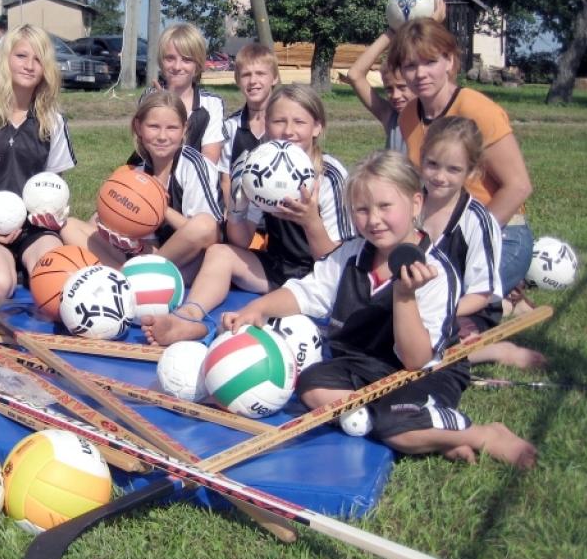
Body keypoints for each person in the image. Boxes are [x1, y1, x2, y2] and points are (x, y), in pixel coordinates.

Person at [222, 150, 537, 470]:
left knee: (397, 427)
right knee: (311, 384)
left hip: (424, 374)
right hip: (364, 365)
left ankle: (479, 434)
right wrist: (258, 308)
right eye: (361, 209)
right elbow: (307, 293)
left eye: (385, 206)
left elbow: (416, 359)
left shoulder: (436, 272)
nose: (373, 220)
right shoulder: (350, 255)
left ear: (415, 204)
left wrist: (404, 297)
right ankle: (427, 432)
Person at [142, 84, 351, 345]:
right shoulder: (259, 166)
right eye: (279, 121)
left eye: (299, 122)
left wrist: (310, 222)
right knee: (220, 253)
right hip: (277, 269)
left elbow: (337, 264)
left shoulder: (330, 176)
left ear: (317, 127)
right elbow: (240, 240)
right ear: (266, 124)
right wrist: (239, 201)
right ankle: (188, 317)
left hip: (318, 279)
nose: (288, 130)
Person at [388, 18, 534, 312]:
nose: (420, 74)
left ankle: (504, 303)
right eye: (410, 65)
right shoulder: (408, 116)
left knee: (435, 306)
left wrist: (468, 240)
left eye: (430, 62)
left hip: (501, 234)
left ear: (449, 61)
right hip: (441, 233)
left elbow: (518, 186)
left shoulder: (475, 109)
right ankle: (505, 300)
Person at [0, 24, 75, 305]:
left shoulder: (53, 121)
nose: (30, 66)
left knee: (60, 282)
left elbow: (56, 185)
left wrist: (48, 216)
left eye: (38, 59)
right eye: (21, 56)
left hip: (33, 228)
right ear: (5, 58)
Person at [418, 116, 543, 368]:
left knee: (438, 344)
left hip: (464, 308)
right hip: (412, 301)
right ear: (421, 157)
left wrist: (436, 310)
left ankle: (495, 350)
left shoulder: (478, 222)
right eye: (432, 164)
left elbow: (481, 294)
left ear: (472, 171)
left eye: (453, 169)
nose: (440, 177)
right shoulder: (408, 203)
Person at [77, 90, 223, 276]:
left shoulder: (194, 165)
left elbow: (211, 235)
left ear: (184, 129)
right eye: (153, 126)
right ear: (138, 127)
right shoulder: (137, 171)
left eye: (172, 128)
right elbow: (149, 242)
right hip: (157, 256)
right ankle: (121, 274)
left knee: (203, 224)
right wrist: (125, 234)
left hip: (193, 261)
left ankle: (143, 274)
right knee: (75, 225)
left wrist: (161, 209)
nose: (162, 136)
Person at [144, 23, 225, 164]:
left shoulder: (212, 104)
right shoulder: (149, 97)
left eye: (186, 60)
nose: (177, 66)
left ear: (197, 64)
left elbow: (210, 159)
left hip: (196, 181)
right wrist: (161, 104)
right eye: (170, 58)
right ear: (161, 61)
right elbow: (146, 153)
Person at [218, 42, 280, 210]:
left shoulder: (286, 124)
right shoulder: (230, 127)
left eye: (260, 73)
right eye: (246, 75)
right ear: (237, 80)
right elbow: (226, 180)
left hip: (281, 213)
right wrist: (231, 217)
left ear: (274, 77)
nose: (253, 81)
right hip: (242, 218)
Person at [345, 30, 418, 153]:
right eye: (389, 89)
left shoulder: (434, 116)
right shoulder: (391, 117)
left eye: (402, 87)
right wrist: (391, 33)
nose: (395, 96)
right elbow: (354, 75)